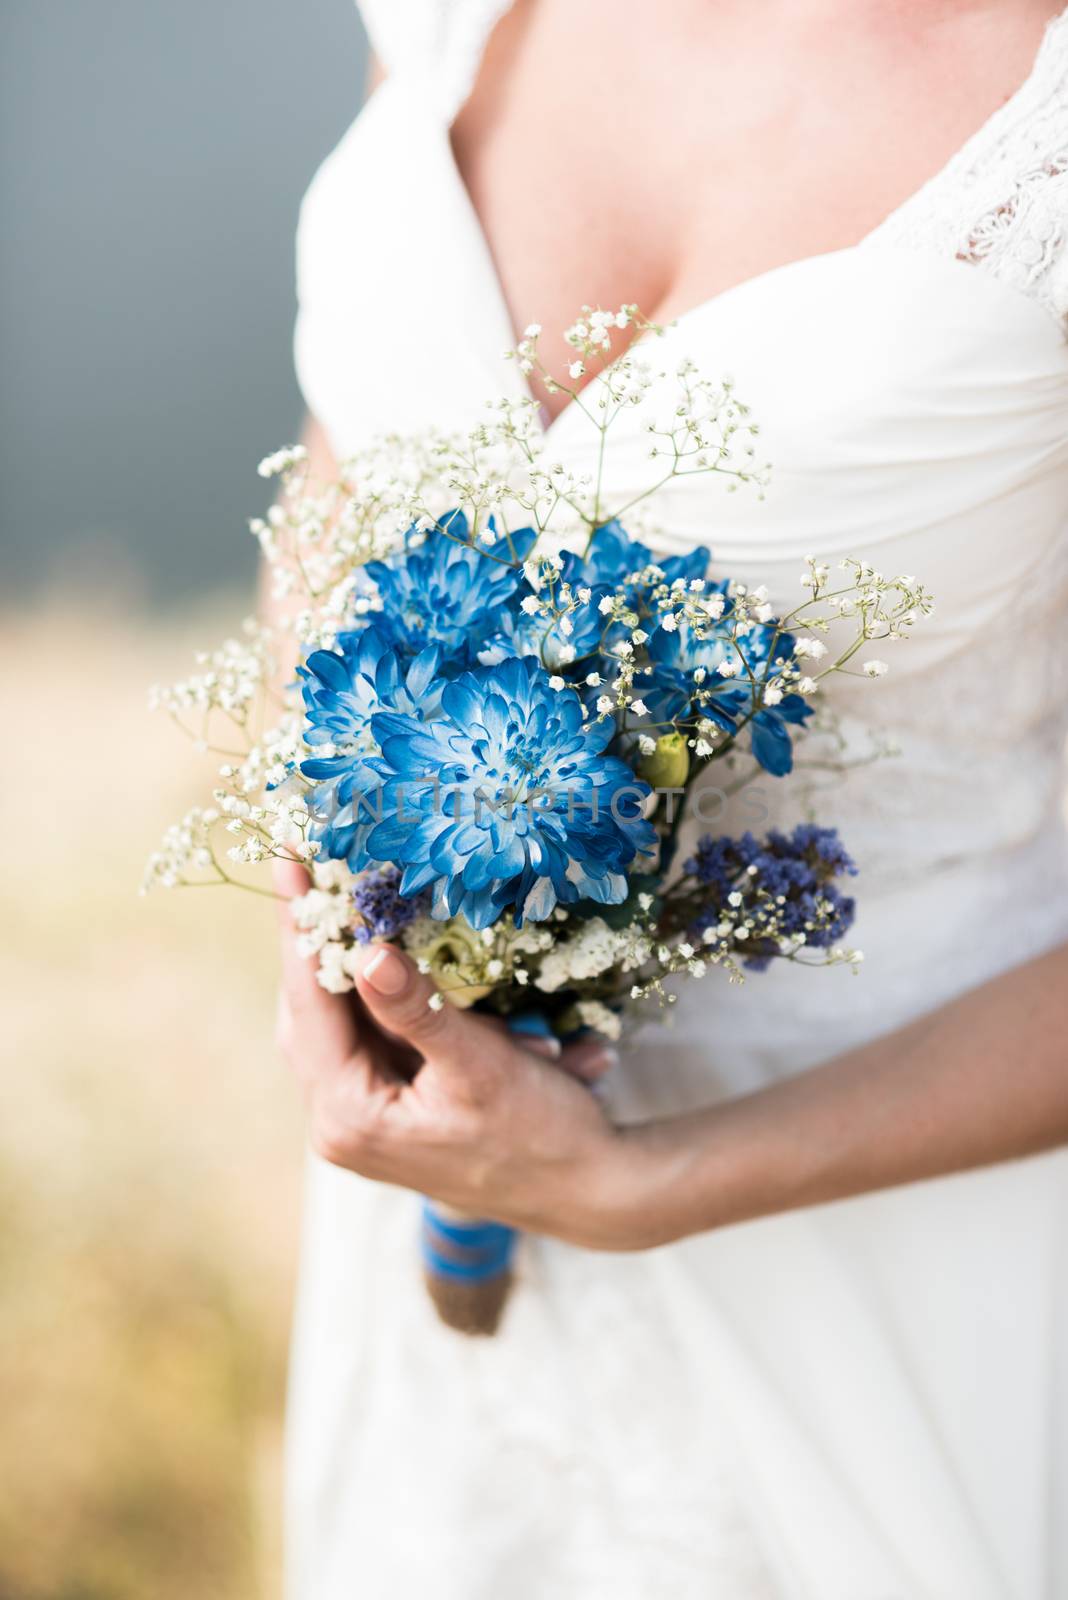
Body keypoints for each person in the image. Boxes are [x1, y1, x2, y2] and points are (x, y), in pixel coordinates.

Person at [277, 2, 1068, 1594]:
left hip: (906, 1267)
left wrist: (646, 1185)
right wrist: (333, 907)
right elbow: (339, 469)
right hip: (436, 1220)